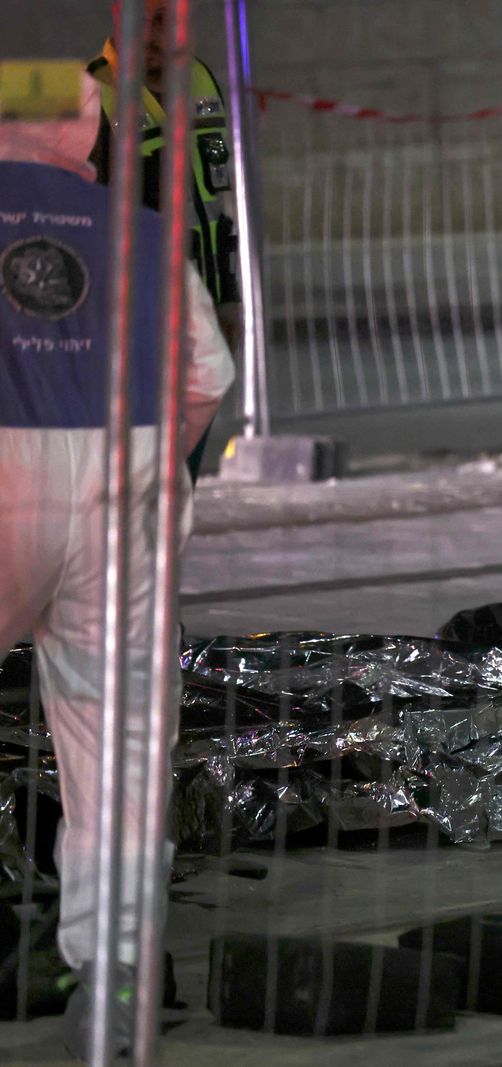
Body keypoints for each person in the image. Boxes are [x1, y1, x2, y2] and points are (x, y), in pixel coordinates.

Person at [0, 73, 235, 1057]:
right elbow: (205, 377)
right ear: (88, 125)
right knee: (115, 753)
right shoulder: (138, 231)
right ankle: (117, 981)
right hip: (122, 504)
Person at [88, 0, 240, 480]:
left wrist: (229, 294)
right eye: (146, 18)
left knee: (190, 431)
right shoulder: (94, 94)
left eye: (167, 19)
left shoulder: (200, 79)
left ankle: (174, 509)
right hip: (141, 300)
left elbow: (217, 177)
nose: (156, 32)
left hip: (210, 286)